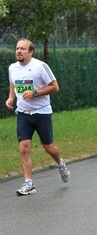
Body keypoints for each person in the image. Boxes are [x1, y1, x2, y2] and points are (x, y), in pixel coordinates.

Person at [5, 38, 71, 196]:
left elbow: (55, 87)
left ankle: (60, 164)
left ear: (30, 52)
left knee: (49, 148)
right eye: (17, 48)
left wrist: (35, 93)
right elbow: (13, 84)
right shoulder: (13, 68)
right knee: (24, 148)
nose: (18, 51)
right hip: (23, 114)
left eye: (22, 49)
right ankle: (29, 184)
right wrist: (11, 98)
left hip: (42, 112)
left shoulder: (40, 66)